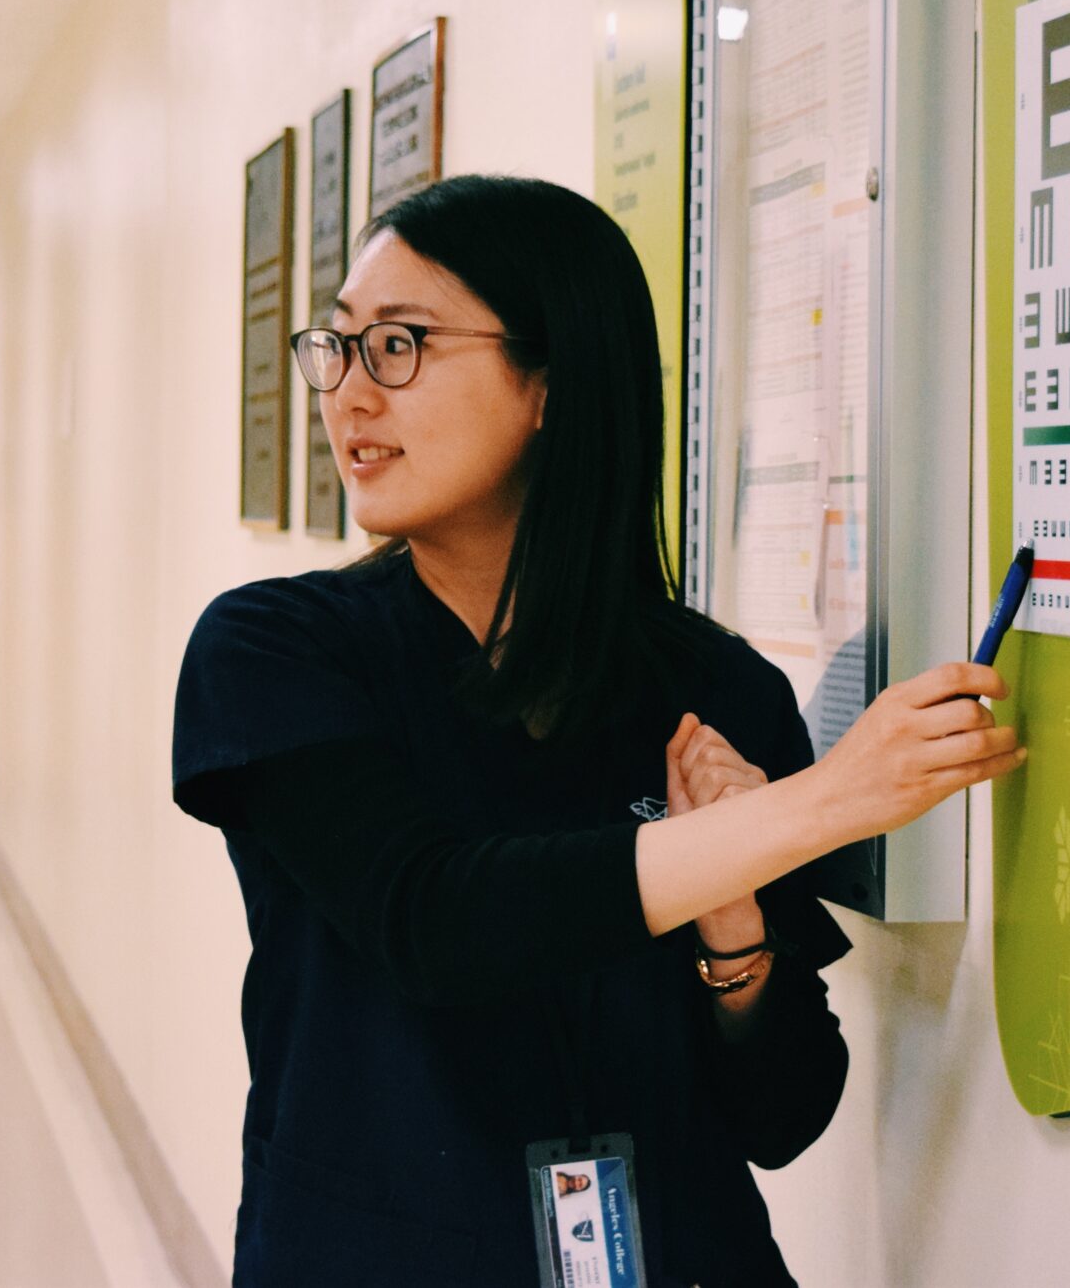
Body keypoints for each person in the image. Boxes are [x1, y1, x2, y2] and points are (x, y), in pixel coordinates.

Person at [172, 174, 1020, 1285]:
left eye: (401, 345)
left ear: (550, 385)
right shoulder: (275, 652)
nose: (347, 394)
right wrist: (821, 804)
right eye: (337, 348)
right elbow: (437, 918)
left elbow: (785, 1113)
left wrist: (734, 931)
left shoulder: (715, 687)